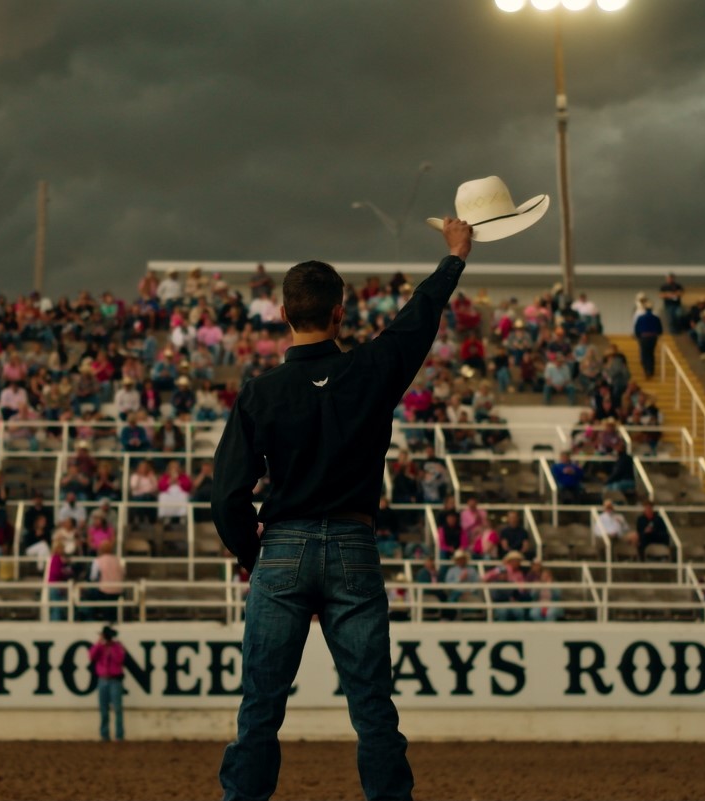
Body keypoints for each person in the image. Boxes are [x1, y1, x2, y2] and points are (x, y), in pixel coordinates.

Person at [212, 217, 482, 801]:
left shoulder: (259, 393)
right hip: (355, 550)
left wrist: (253, 555)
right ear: (340, 314)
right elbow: (419, 318)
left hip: (281, 549)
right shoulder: (370, 370)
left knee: (260, 708)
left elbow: (228, 494)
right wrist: (455, 256)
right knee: (373, 710)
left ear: (285, 316)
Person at [91, 625, 126, 742]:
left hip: (114, 679)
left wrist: (110, 647)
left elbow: (119, 659)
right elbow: (91, 656)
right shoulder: (101, 647)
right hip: (103, 679)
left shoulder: (117, 647)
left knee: (117, 709)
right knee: (104, 709)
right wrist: (99, 643)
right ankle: (105, 735)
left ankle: (119, 735)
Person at [632, 302, 662, 378]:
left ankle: (646, 370)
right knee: (651, 354)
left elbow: (637, 328)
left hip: (644, 337)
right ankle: (651, 370)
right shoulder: (656, 318)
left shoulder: (641, 318)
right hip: (653, 337)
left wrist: (638, 336)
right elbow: (660, 330)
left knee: (645, 354)